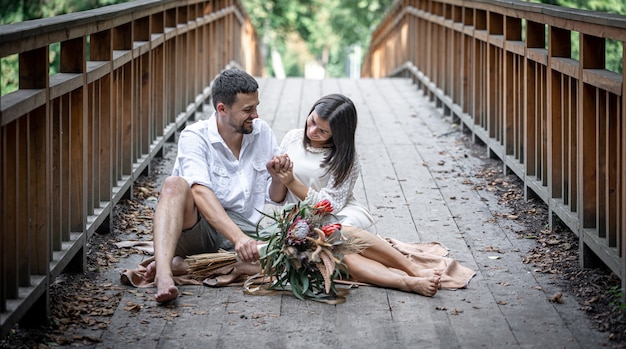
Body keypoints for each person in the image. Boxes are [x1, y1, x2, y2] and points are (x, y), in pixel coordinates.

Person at [267, 93, 455, 297]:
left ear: (338, 134)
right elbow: (278, 198)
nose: (312, 131)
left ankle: (413, 268)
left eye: (323, 131)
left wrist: (291, 182)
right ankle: (406, 282)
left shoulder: (345, 158)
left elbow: (330, 205)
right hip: (301, 224)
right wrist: (277, 178)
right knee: (342, 258)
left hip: (339, 216)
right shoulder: (292, 138)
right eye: (312, 121)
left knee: (338, 232)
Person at [145, 68, 290, 303]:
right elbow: (199, 192)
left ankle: (187, 265)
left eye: (256, 106)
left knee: (294, 256)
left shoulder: (262, 132)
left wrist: (277, 177)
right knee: (174, 184)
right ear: (221, 109)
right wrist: (238, 239)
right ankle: (164, 276)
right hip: (200, 229)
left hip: (246, 230)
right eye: (247, 109)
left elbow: (275, 198)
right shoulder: (195, 136)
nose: (255, 114)